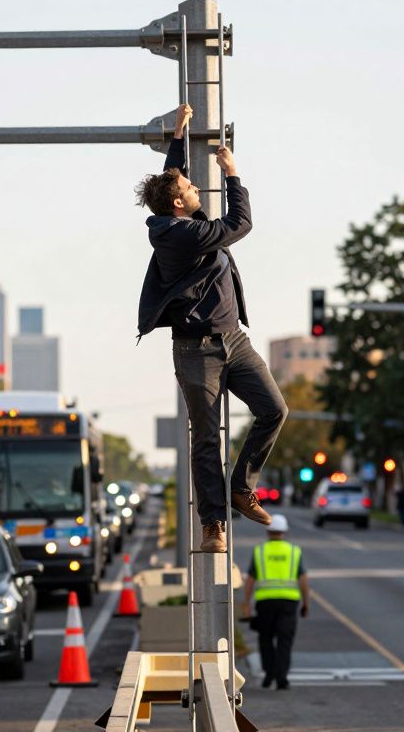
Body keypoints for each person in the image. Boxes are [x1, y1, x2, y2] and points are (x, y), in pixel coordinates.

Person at [135, 103, 285, 553]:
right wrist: (233, 173)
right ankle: (213, 523)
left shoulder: (177, 215)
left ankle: (241, 488)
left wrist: (178, 134)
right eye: (190, 186)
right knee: (205, 437)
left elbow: (171, 178)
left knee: (274, 410)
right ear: (180, 204)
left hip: (234, 341)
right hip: (196, 351)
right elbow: (241, 223)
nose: (196, 185)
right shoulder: (183, 235)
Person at [240, 515, 309, 690]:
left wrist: (246, 603)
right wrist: (306, 603)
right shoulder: (294, 551)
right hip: (289, 602)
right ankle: (282, 678)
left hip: (265, 602)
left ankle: (269, 674)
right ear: (284, 531)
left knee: (266, 638)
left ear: (268, 531)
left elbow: (250, 580)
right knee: (285, 641)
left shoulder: (260, 551)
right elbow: (303, 580)